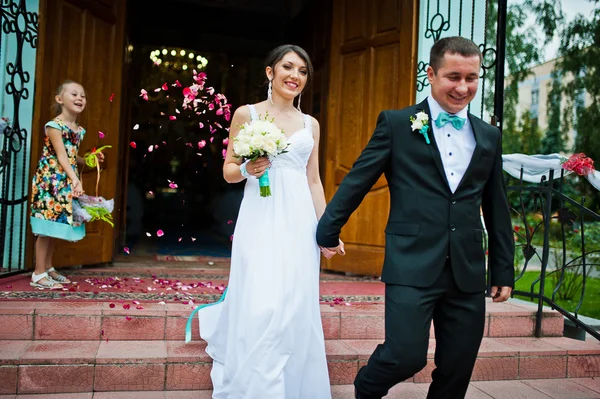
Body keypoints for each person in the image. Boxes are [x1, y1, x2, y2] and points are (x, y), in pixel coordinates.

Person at [317, 36, 515, 399]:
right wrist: (328, 228)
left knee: (458, 365)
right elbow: (359, 179)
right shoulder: (397, 124)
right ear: (430, 74)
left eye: (472, 78)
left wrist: (503, 268)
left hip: (467, 268)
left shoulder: (489, 136)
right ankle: (366, 387)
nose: (462, 87)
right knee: (405, 355)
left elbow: (496, 204)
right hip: (412, 262)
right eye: (453, 76)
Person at [193, 44, 343, 399]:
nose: (295, 76)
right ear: (269, 72)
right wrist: (247, 168)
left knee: (293, 302)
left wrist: (326, 230)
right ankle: (259, 385)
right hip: (260, 218)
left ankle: (292, 383)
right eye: (287, 67)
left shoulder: (311, 124)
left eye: (303, 71)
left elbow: (313, 181)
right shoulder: (248, 115)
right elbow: (229, 171)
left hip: (299, 221)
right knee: (263, 301)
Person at [30, 80, 103, 289]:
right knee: (46, 227)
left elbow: (72, 157)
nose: (80, 98)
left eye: (82, 95)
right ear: (59, 99)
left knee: (56, 225)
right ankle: (38, 273)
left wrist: (89, 160)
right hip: (50, 181)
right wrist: (75, 178)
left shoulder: (79, 130)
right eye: (74, 94)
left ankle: (48, 267)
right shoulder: (54, 126)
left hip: (64, 180)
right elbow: (61, 157)